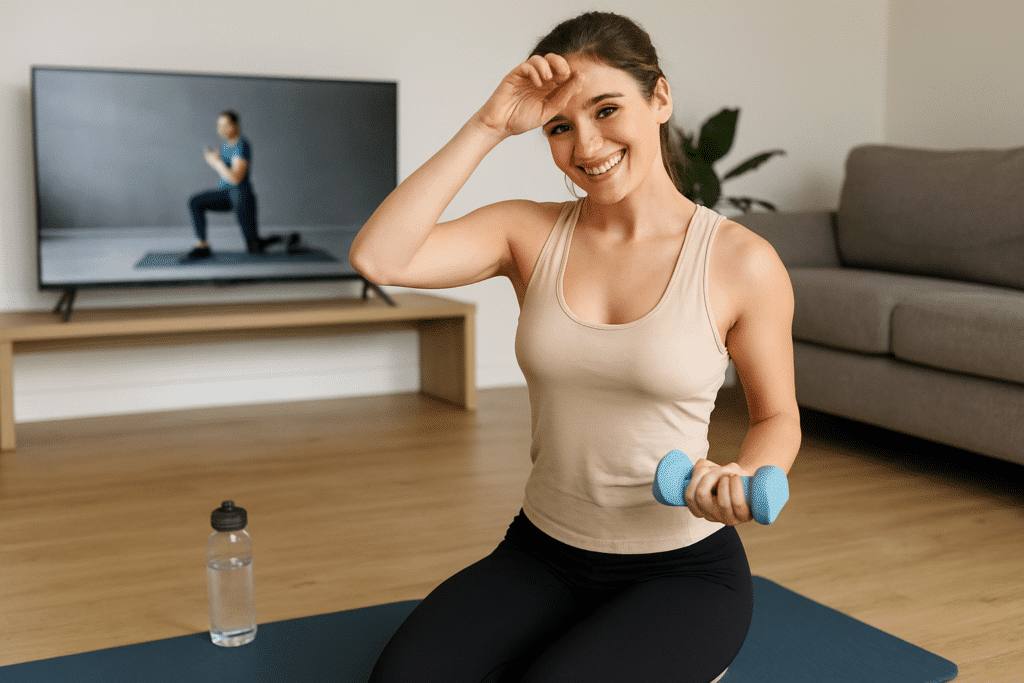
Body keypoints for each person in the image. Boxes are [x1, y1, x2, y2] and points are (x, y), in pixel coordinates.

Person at [350, 11, 801, 683]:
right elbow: (379, 258)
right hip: (543, 552)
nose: (585, 145)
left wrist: (741, 474)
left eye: (606, 109)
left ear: (661, 99)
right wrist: (489, 126)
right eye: (560, 126)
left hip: (684, 568)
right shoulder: (528, 233)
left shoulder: (742, 262)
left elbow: (776, 417)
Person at [183, 110, 279, 260]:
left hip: (241, 197)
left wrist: (216, 162)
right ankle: (202, 246)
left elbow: (236, 179)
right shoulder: (226, 146)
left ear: (236, 125)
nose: (221, 129)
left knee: (254, 247)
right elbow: (227, 175)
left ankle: (283, 240)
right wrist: (216, 160)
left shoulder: (242, 145)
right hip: (227, 195)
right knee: (195, 201)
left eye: (225, 125)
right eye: (219, 126)